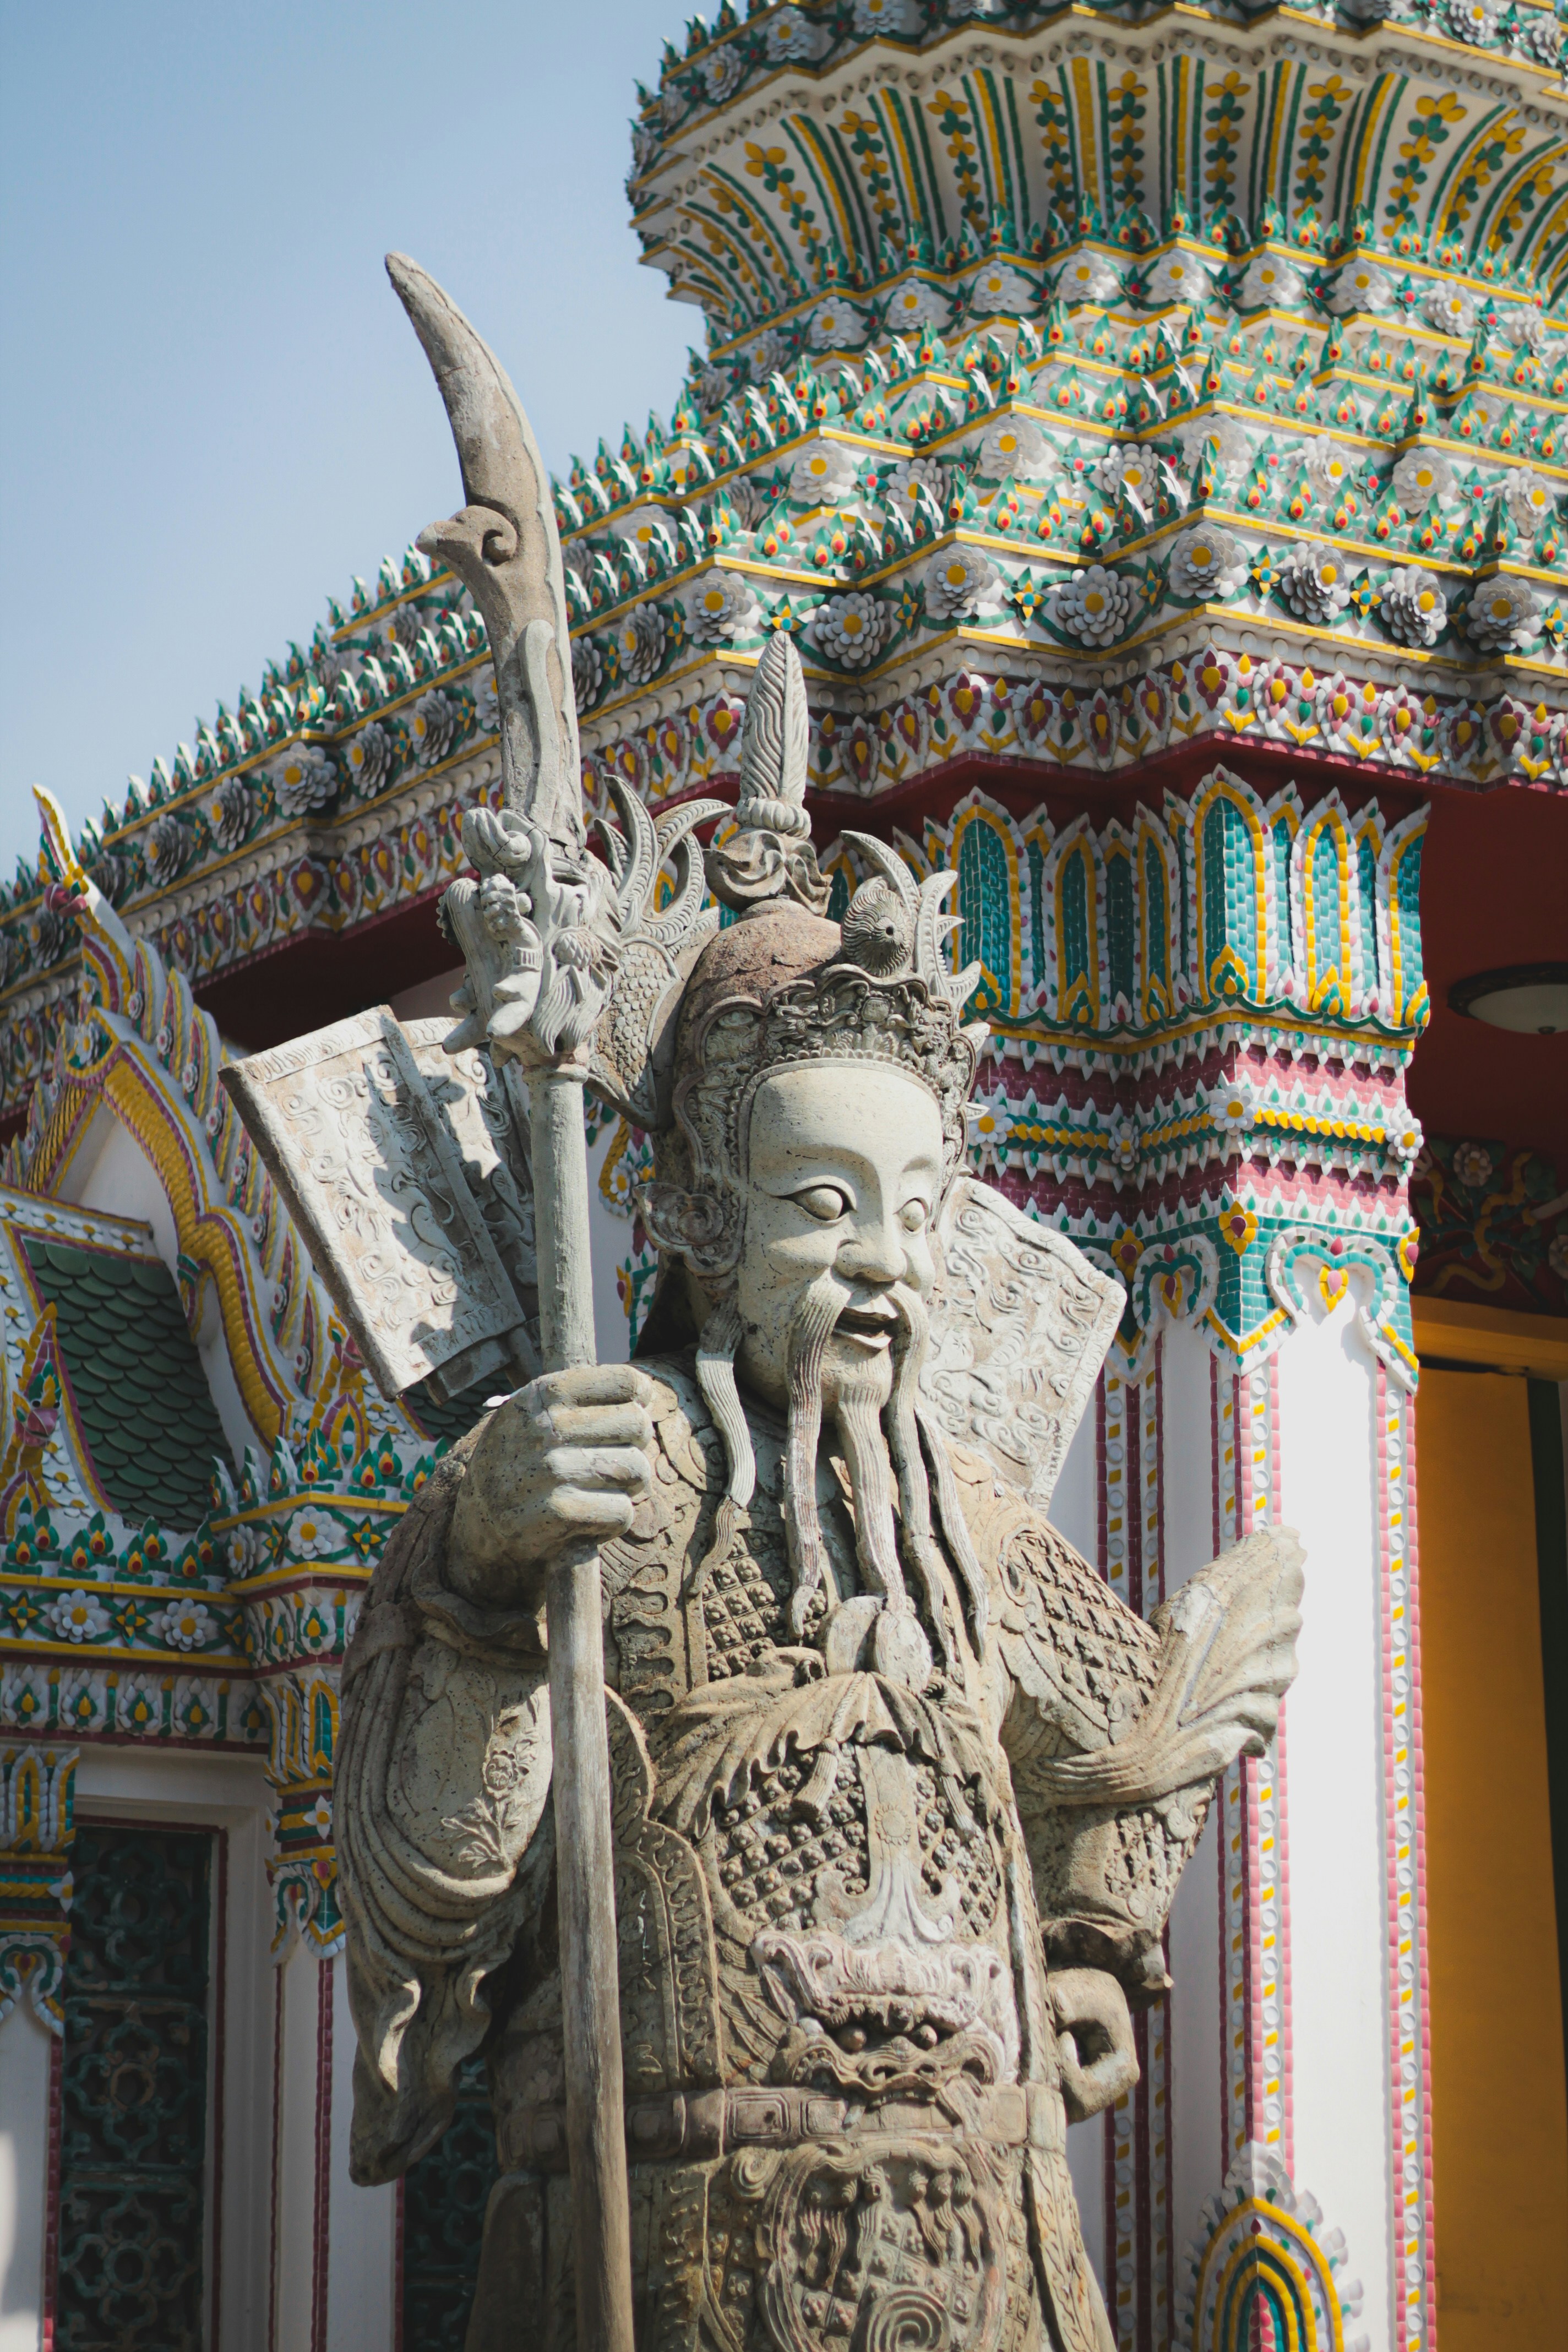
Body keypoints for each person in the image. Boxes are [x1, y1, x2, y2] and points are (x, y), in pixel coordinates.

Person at [336, 635, 1302, 2352]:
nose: (886, 1262)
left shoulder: (973, 1522)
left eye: (918, 1209)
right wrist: (484, 1578)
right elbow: (440, 1891)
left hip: (982, 2255)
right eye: (824, 1206)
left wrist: (1091, 1949)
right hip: (669, 2252)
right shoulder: (588, 1484)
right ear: (702, 1214)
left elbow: (1130, 1746)